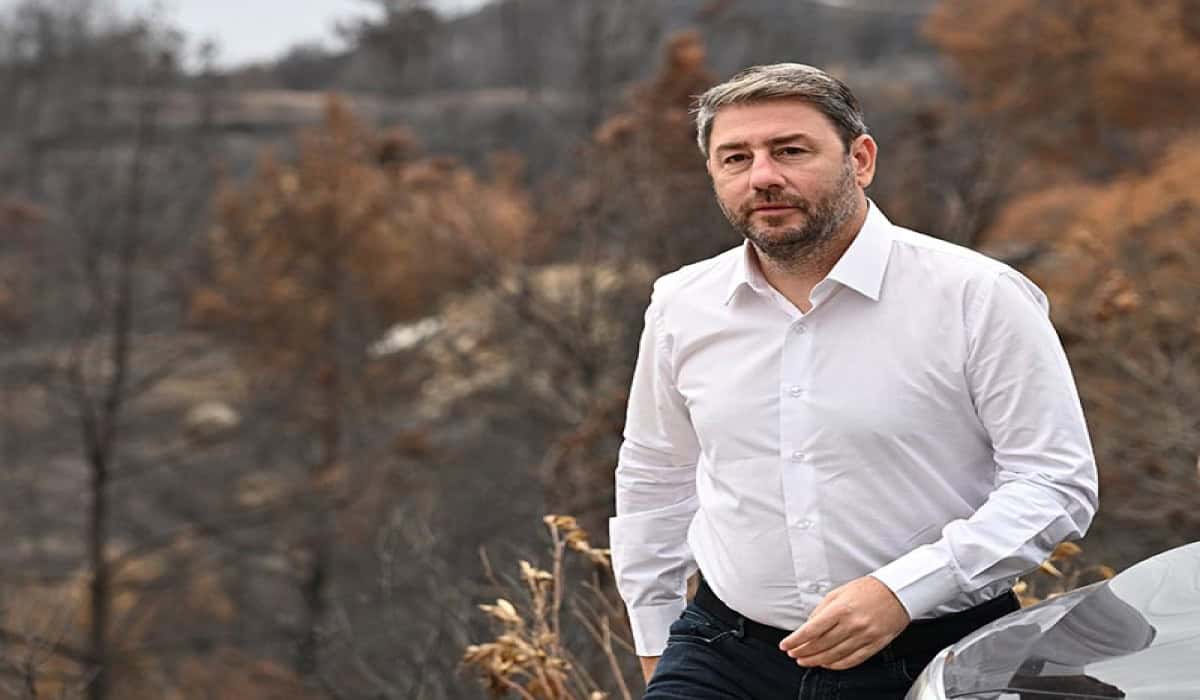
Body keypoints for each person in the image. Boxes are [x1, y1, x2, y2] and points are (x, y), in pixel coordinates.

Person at [608, 63, 1099, 699]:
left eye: (791, 151)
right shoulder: (682, 303)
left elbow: (1054, 482)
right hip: (725, 653)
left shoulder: (979, 296)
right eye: (736, 158)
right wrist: (657, 643)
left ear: (860, 160)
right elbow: (655, 478)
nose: (763, 176)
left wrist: (905, 590)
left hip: (941, 653)